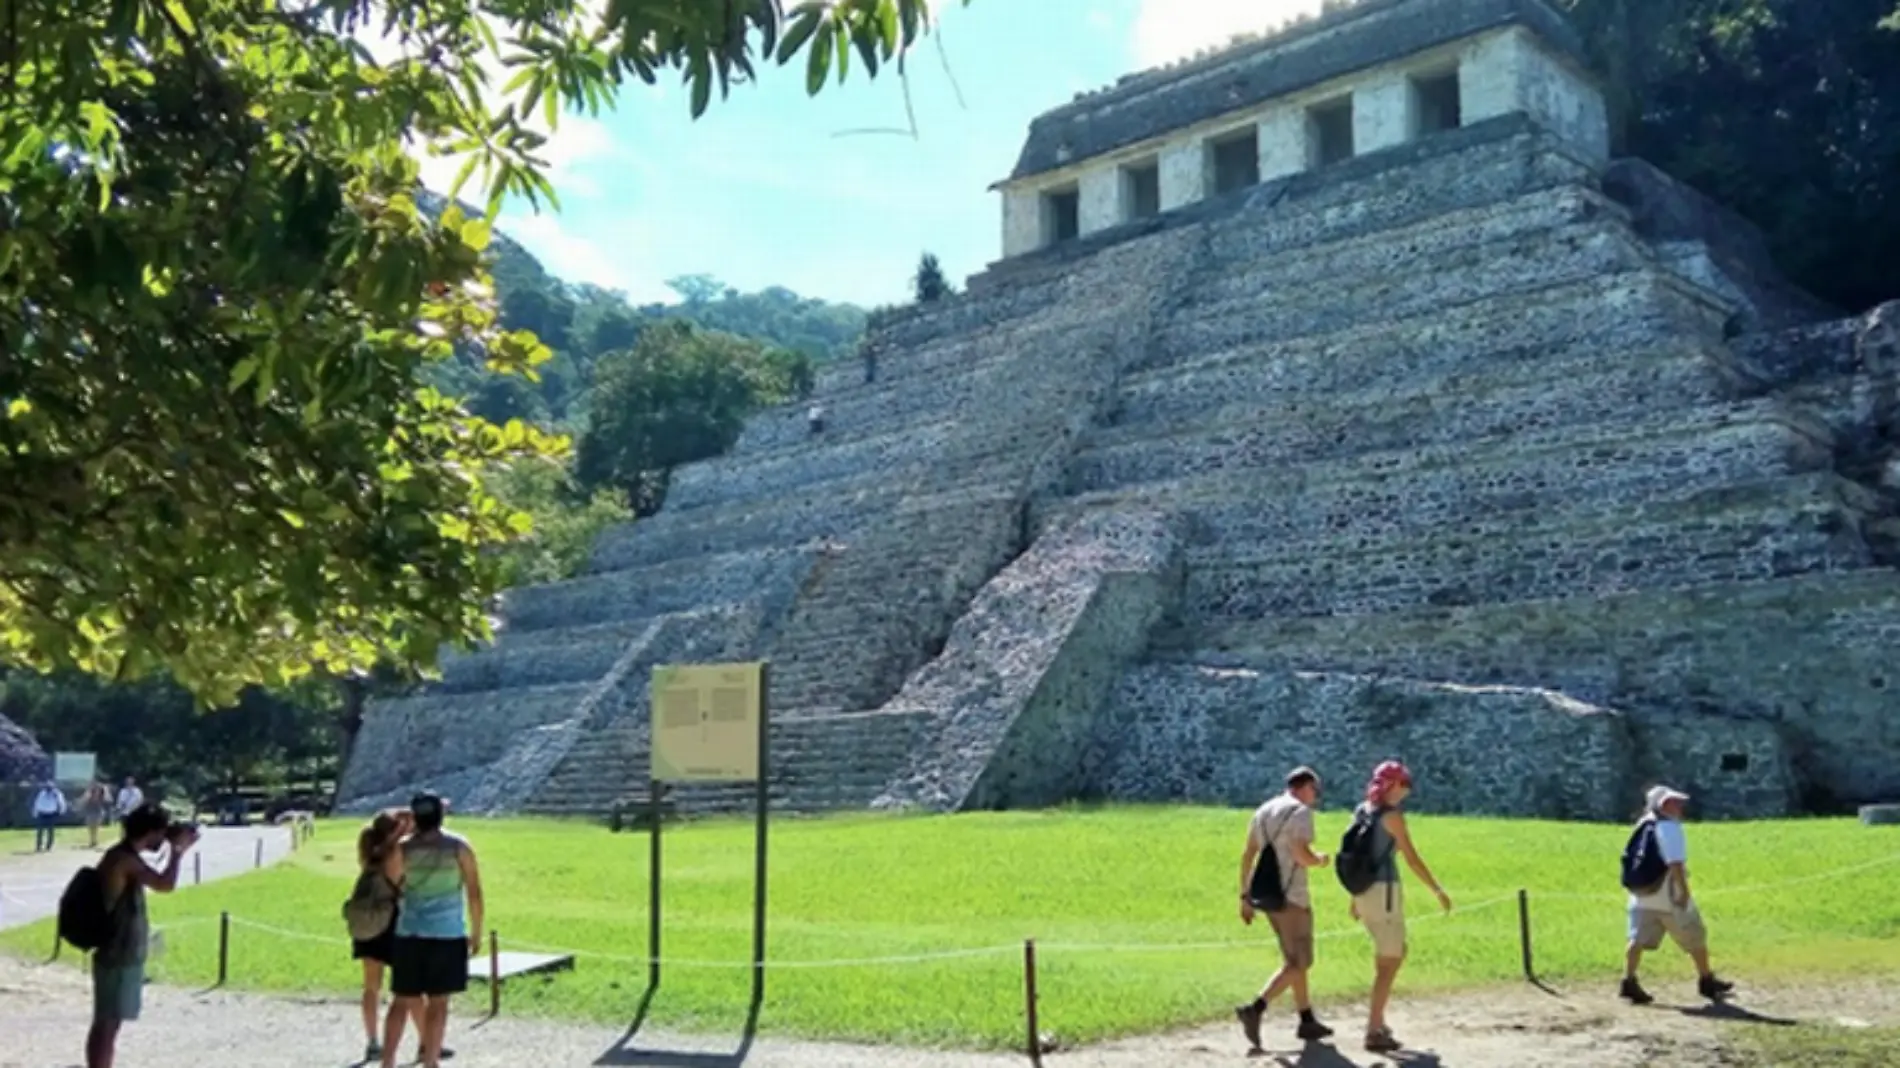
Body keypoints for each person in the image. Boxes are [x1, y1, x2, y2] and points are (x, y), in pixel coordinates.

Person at [1348, 760, 1452, 1055]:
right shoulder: (1391, 817)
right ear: (1393, 786)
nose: (1407, 791)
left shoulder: (1361, 811)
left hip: (1365, 892)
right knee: (1389, 962)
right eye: (1404, 785)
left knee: (1394, 953)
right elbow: (1411, 857)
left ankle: (1378, 1020)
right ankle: (1374, 1028)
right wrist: (1436, 889)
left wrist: (1354, 898)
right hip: (1385, 894)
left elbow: (1356, 858)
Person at [89, 803, 199, 1068]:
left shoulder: (124, 855)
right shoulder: (124, 859)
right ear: (150, 831)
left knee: (110, 1019)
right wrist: (177, 852)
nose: (163, 839)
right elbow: (165, 884)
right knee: (108, 1020)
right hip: (117, 948)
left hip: (118, 947)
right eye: (161, 833)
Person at [1235, 766, 1334, 1051]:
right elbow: (1301, 854)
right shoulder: (1300, 813)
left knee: (1292, 959)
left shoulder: (1263, 811)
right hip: (1292, 896)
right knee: (1300, 961)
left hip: (1266, 896)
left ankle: (1306, 1019)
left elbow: (1248, 855)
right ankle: (1256, 1007)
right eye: (1315, 791)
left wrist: (1244, 896)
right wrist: (1321, 860)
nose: (1316, 797)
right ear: (1305, 787)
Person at [381, 793, 483, 1068]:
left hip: (410, 931)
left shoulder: (403, 848)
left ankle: (387, 1061)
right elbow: (474, 891)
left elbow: (392, 878)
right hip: (446, 933)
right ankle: (430, 1061)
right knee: (439, 1003)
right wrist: (476, 931)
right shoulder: (459, 846)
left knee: (401, 999)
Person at [1620, 785, 1735, 1005]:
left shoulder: (1642, 825)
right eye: (1673, 802)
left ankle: (1628, 980)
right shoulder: (1669, 828)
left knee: (1636, 939)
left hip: (1641, 893)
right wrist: (1683, 891)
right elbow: (1675, 863)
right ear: (1663, 806)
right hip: (1666, 893)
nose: (1679, 806)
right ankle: (1706, 980)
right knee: (1695, 934)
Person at [354, 809, 415, 1063]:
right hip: (389, 923)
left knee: (371, 987)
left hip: (365, 921)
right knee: (408, 988)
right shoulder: (395, 854)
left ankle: (372, 1041)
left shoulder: (369, 854)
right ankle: (426, 1041)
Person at [32, 780, 68, 852]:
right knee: (40, 831)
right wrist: (35, 812)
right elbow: (37, 803)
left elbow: (61, 802)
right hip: (42, 813)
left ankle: (49, 846)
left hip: (51, 814)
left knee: (50, 831)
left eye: (50, 787)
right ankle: (38, 846)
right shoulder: (42, 793)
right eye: (47, 787)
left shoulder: (56, 793)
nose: (48, 789)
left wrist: (62, 810)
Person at [82, 781, 111, 849]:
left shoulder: (102, 793)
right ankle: (92, 840)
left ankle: (95, 840)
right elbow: (84, 799)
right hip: (90, 811)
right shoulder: (90, 793)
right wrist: (88, 791)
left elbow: (108, 799)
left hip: (99, 811)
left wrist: (106, 790)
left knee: (96, 827)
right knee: (90, 826)